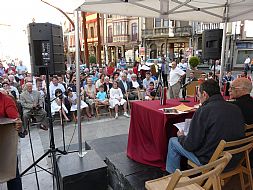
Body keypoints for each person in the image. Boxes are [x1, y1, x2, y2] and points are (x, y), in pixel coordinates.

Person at [166, 79, 245, 173]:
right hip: (235, 159)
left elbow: (190, 145)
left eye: (199, 96)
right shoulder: (235, 108)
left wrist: (181, 137)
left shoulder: (204, 110)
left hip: (212, 162)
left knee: (173, 142)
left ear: (204, 94)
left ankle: (171, 178)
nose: (199, 99)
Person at [0, 90, 23, 190]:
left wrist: (17, 122)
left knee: (13, 175)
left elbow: (15, 119)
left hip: (4, 145)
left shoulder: (5, 100)